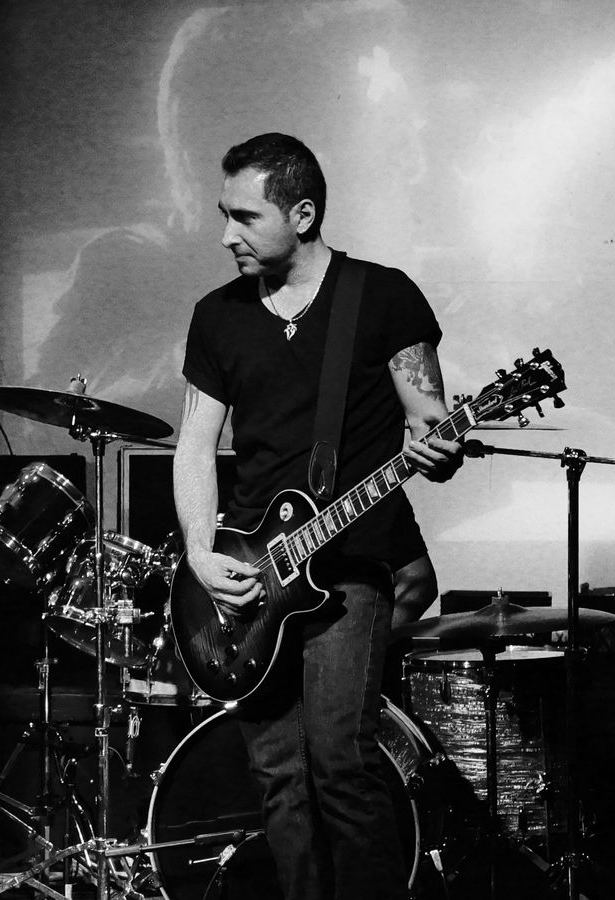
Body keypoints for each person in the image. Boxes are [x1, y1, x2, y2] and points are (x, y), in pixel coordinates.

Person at [172, 132, 462, 900]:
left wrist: (440, 445)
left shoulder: (383, 296)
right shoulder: (218, 316)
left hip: (350, 564)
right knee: (278, 776)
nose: (226, 235)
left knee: (341, 763)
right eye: (224, 214)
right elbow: (194, 445)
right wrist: (200, 551)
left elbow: (429, 420)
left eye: (244, 216)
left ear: (302, 214)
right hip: (252, 571)